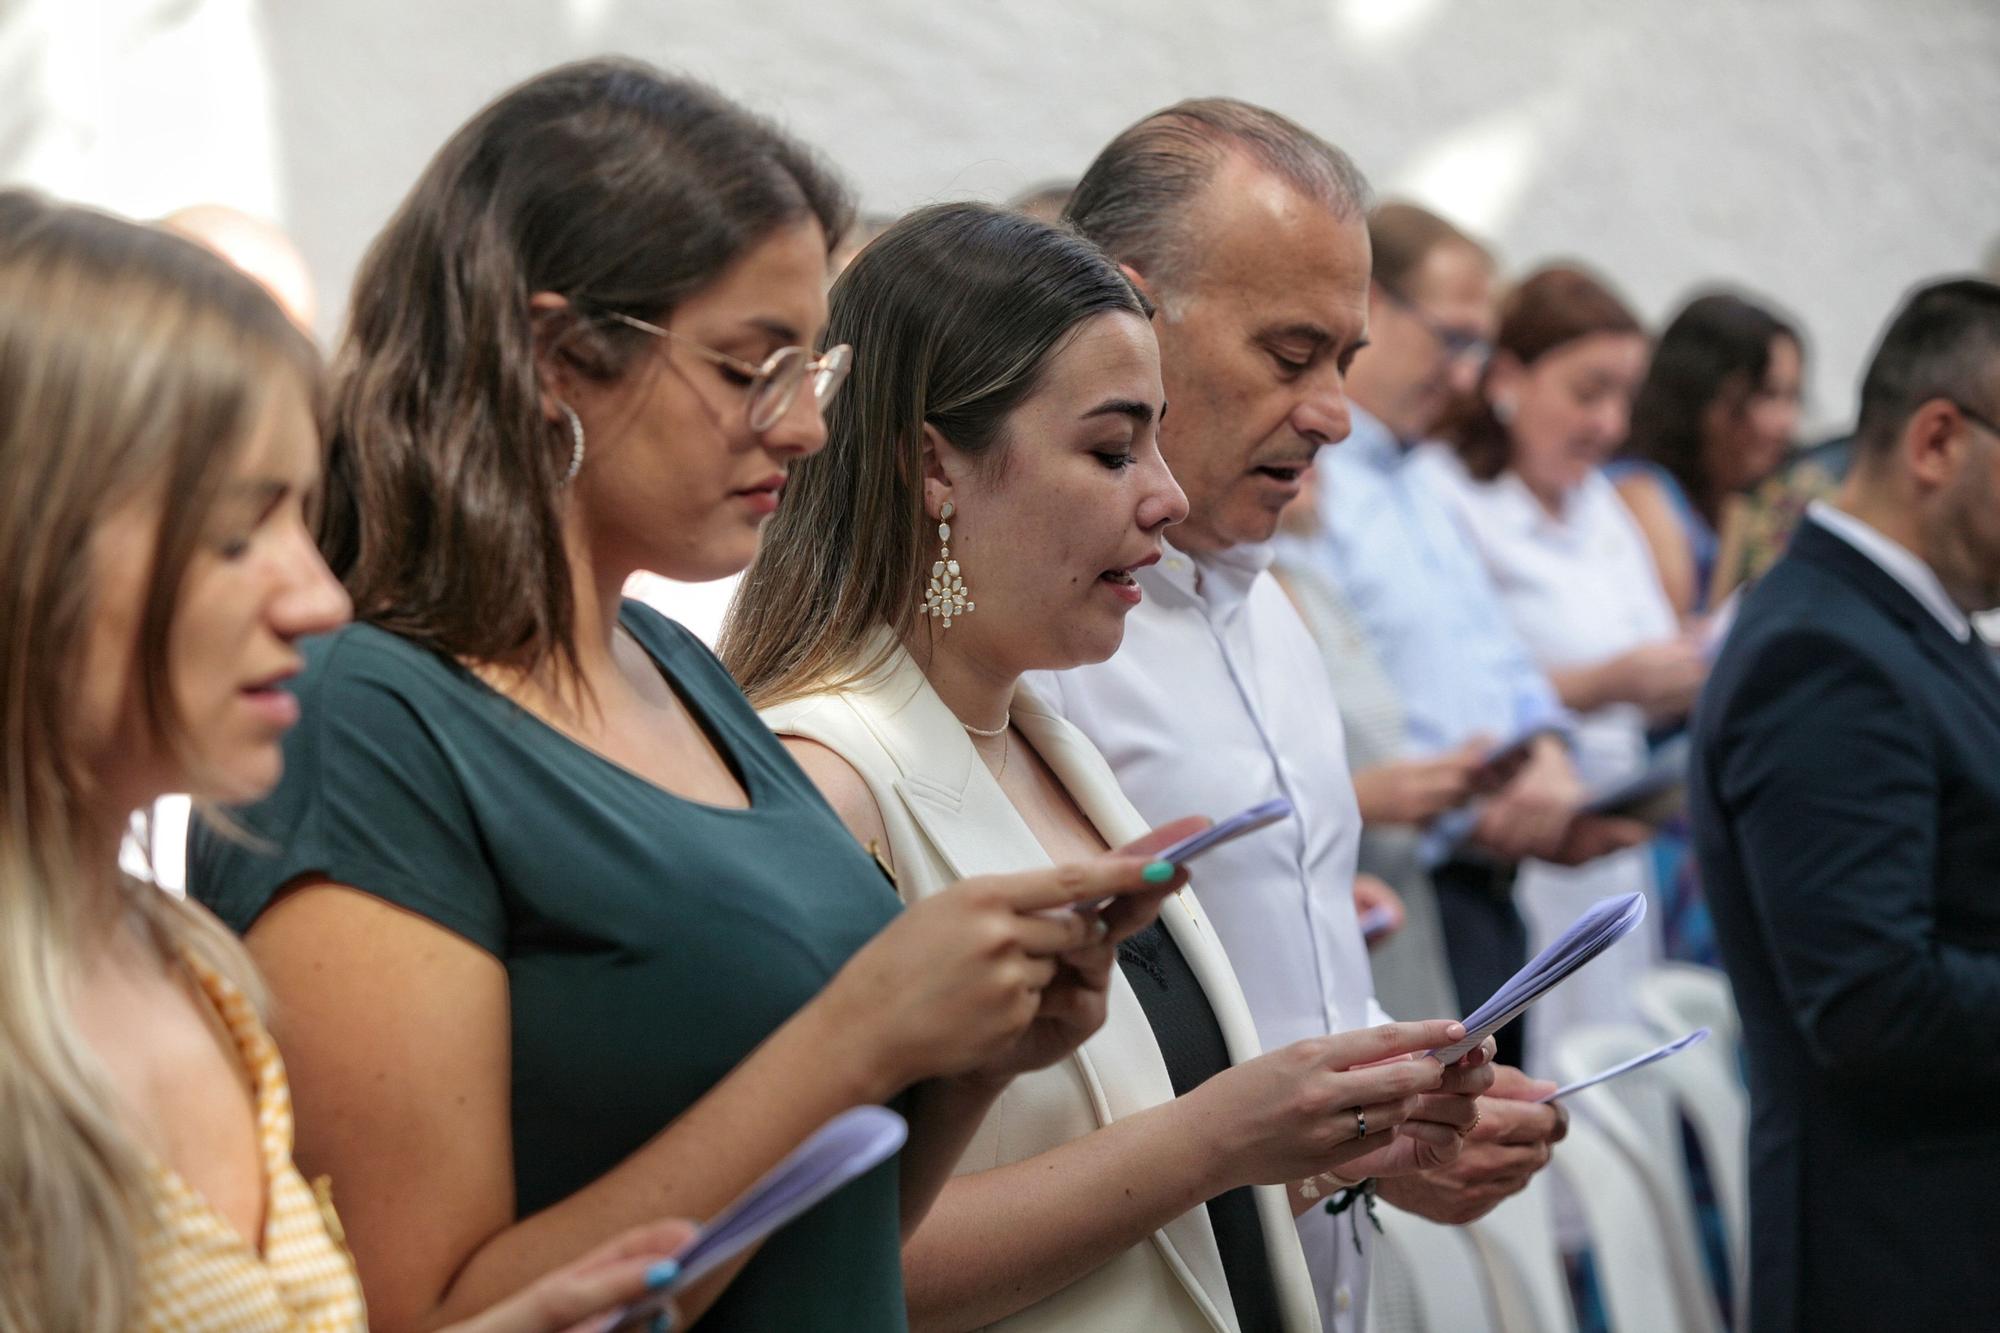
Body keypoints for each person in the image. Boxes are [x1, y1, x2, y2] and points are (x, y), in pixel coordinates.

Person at [188, 61, 1171, 1333]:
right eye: (749, 367)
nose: (803, 430)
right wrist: (863, 1035)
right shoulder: (364, 718)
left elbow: (830, 1239)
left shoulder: (676, 667)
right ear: (556, 358)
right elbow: (420, 1309)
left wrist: (972, 1060)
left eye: (806, 372)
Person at [727, 201, 1493, 1333]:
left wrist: (1338, 1132)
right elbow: (827, 1267)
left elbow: (1135, 1192)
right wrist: (1218, 1136)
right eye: (1108, 447)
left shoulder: (1049, 740)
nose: (1166, 495)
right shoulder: (827, 785)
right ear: (933, 467)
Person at [0, 187, 726, 1333]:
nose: (317, 595)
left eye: (305, 517)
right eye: (237, 533)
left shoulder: (182, 961)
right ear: (31, 546)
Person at [1037, 101, 1572, 1332]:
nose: (1335, 411)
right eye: (1290, 356)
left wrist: (1414, 1112)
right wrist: (1328, 1145)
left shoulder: (1272, 612)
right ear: (1129, 315)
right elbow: (1032, 1099)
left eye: (1345, 356)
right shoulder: (1036, 640)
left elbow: (1297, 990)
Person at [1692, 277, 2000, 1333]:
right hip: (1901, 1262)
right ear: (1935, 441)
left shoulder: (1909, 629)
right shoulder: (1822, 651)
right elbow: (1873, 1006)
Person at [1306, 202, 1645, 1073]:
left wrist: (1546, 755)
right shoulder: (1306, 481)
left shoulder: (1417, 477)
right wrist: (1471, 796)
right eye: (1452, 339)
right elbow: (1336, 695)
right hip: (1398, 888)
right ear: (1371, 307)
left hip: (1487, 884)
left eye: (1476, 349)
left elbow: (1500, 657)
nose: (1465, 378)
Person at [1421, 264, 1688, 1060]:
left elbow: (1650, 639)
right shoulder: (1446, 496)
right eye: (1587, 392)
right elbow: (1453, 677)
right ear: (1508, 378)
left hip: (1611, 834)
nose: (1609, 424)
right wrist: (1608, 683)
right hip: (1519, 835)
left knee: (1616, 1058)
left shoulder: (1598, 503)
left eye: (1624, 398)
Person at [1611, 291, 1805, 617]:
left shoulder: (1738, 505)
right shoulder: (1645, 496)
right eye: (1768, 395)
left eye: (1794, 398)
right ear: (1702, 396)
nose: (1787, 423)